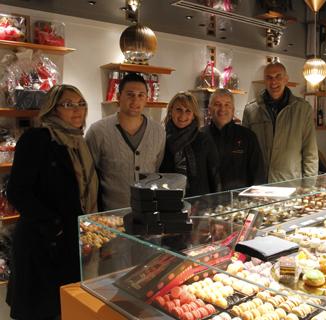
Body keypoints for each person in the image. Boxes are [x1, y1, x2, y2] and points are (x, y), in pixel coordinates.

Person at [6, 84, 98, 320]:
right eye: (68, 104)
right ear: (53, 109)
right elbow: (17, 191)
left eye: (81, 103)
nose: (77, 110)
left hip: (70, 242)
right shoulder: (37, 139)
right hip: (42, 243)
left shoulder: (80, 143)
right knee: (42, 310)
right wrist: (53, 225)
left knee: (67, 307)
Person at [86, 73, 165, 210]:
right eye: (130, 94)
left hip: (147, 214)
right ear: (118, 96)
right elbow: (89, 176)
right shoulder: (98, 131)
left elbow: (157, 168)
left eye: (141, 95)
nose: (135, 100)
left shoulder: (159, 131)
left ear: (147, 98)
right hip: (110, 215)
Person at [242, 62, 318, 182]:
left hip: (290, 185)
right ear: (264, 80)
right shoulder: (250, 110)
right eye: (269, 77)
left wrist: (309, 188)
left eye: (278, 76)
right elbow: (245, 152)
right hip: (259, 185)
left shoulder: (303, 109)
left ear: (286, 79)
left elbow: (310, 153)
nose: (273, 82)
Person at [160, 92, 221, 196]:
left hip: (199, 203)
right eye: (179, 109)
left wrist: (216, 202)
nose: (183, 115)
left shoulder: (204, 140)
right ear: (171, 111)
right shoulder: (161, 139)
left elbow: (214, 176)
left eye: (188, 111)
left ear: (193, 115)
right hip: (168, 201)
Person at [203, 88, 265, 190]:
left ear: (233, 110)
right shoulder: (201, 136)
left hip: (240, 202)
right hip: (208, 202)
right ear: (209, 109)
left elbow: (258, 175)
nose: (222, 109)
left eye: (227, 104)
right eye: (217, 104)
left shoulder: (248, 137)